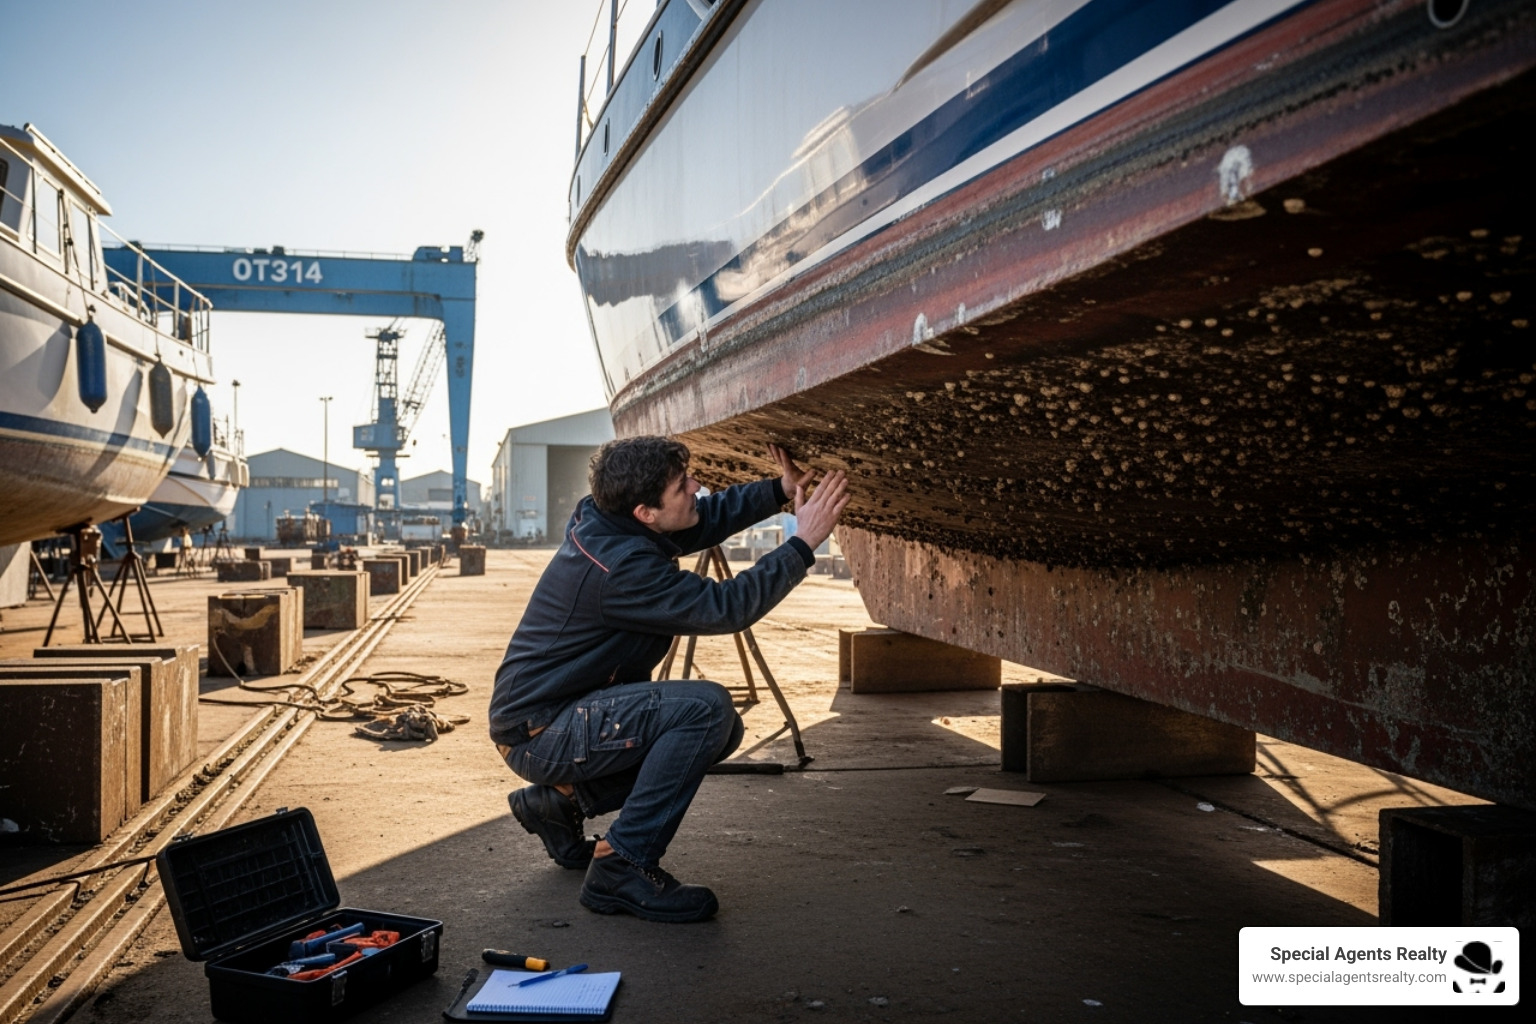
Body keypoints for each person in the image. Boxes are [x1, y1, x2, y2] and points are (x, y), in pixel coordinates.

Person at [488, 436, 849, 922]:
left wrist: (778, 490)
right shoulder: (622, 567)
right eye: (684, 484)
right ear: (645, 512)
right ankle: (622, 864)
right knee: (705, 711)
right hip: (542, 730)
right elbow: (727, 607)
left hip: (554, 715)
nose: (696, 486)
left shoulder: (613, 522)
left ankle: (561, 801)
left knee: (724, 729)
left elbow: (703, 517)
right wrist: (803, 543)